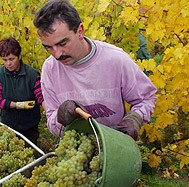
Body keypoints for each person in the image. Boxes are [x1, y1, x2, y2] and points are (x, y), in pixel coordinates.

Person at [33, 0, 157, 140]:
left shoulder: (115, 60)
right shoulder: (50, 69)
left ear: (80, 31)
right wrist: (59, 118)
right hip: (76, 153)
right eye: (48, 47)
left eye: (62, 43)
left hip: (117, 148)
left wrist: (135, 118)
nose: (57, 54)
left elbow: (145, 99)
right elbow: (52, 123)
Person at [0, 37, 44, 145]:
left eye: (11, 59)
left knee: (31, 150)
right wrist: (16, 105)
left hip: (30, 125)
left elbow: (41, 97)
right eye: (5, 60)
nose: (8, 63)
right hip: (9, 125)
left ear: (19, 56)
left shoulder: (32, 75)